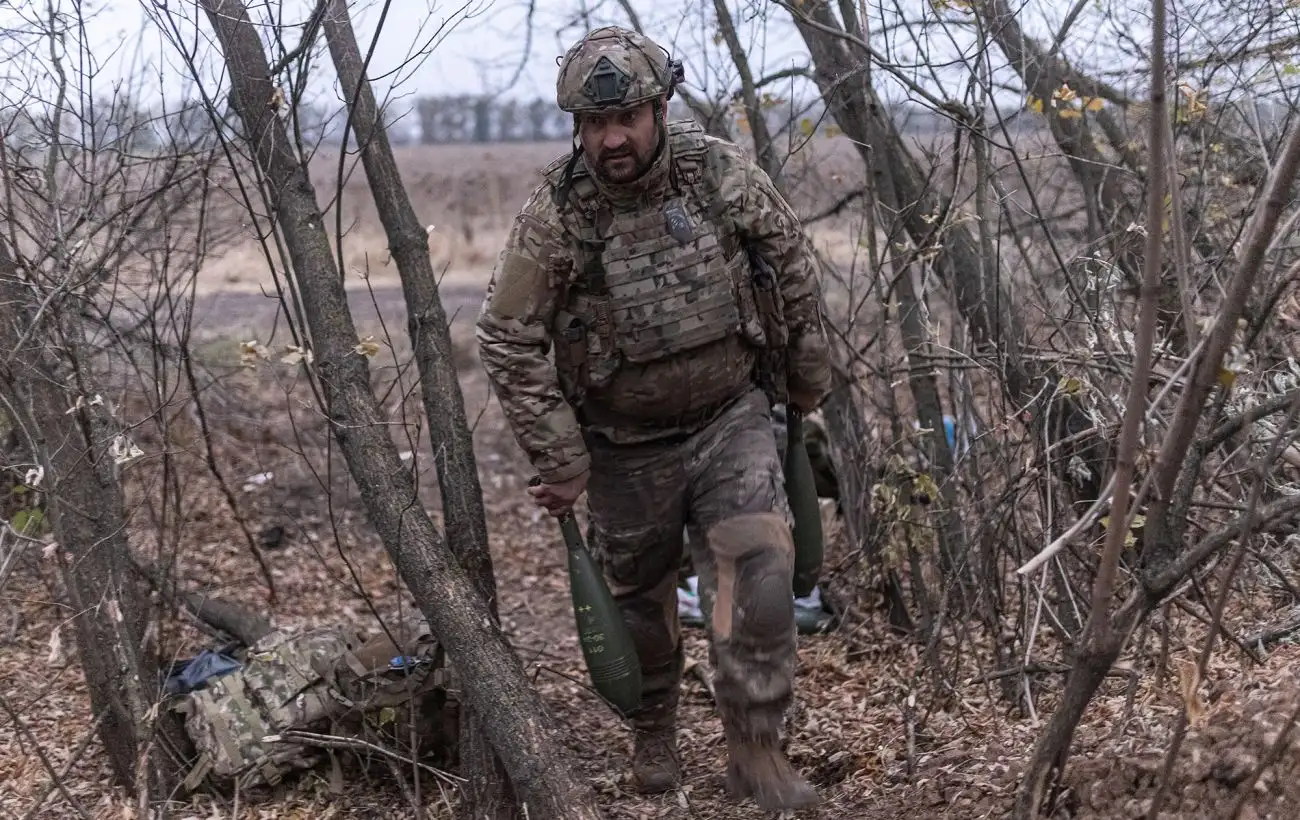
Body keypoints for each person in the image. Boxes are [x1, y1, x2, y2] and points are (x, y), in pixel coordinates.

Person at [474, 24, 832, 811]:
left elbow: (793, 265)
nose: (612, 140)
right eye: (596, 126)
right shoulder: (557, 217)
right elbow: (506, 336)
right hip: (621, 448)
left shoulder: (718, 177)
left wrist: (806, 377)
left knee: (760, 580)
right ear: (578, 128)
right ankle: (655, 726)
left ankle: (756, 750)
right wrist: (560, 455)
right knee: (638, 606)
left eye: (626, 119)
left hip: (728, 419)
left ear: (659, 109)